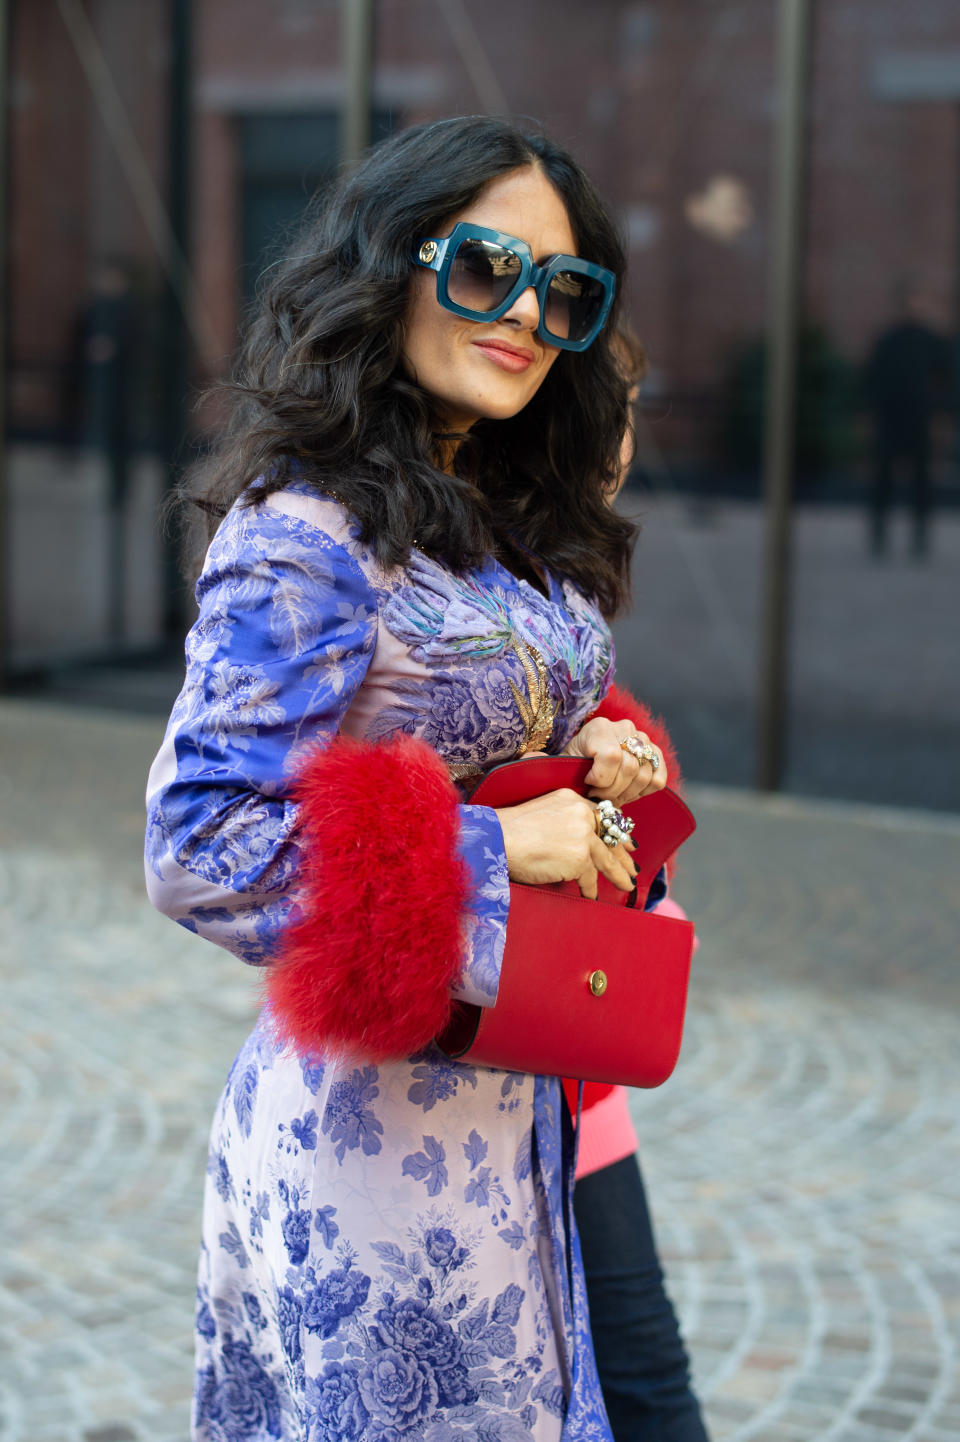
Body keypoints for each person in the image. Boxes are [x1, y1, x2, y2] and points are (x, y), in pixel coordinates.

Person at [146, 115, 681, 1441]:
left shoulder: (489, 513)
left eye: (564, 292)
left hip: (526, 1114)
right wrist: (501, 857)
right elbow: (201, 842)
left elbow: (472, 739)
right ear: (391, 260)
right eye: (486, 266)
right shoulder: (303, 534)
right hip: (372, 1148)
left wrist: (598, 761)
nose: (524, 317)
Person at [568, 328, 710, 1442]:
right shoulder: (478, 593)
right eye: (607, 412)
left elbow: (609, 848)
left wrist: (623, 789)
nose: (620, 445)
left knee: (646, 1371)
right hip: (480, 1083)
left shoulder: (570, 582)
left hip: (581, 1068)